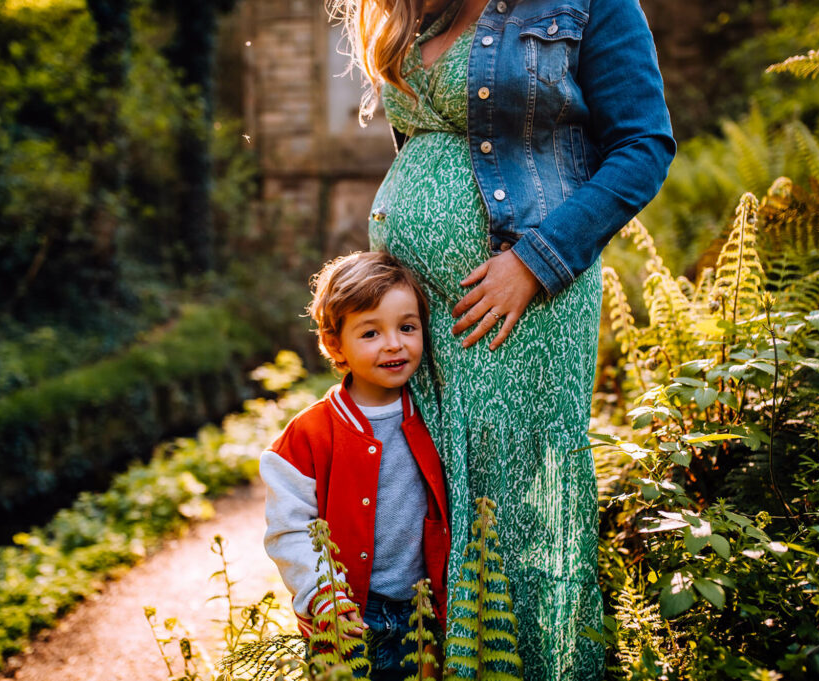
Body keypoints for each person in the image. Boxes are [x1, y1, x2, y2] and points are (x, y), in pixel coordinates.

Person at [331, 0, 676, 677]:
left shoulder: (591, 5)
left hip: (521, 302)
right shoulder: (424, 9)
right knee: (431, 491)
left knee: (511, 503)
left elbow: (643, 146)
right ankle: (443, 660)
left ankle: (535, 666)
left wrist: (534, 261)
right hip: (419, 311)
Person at [260, 251, 450, 680]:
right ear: (335, 345)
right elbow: (288, 530)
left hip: (427, 614)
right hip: (349, 621)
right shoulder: (309, 434)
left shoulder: (437, 418)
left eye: (407, 327)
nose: (394, 344)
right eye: (370, 333)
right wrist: (322, 596)